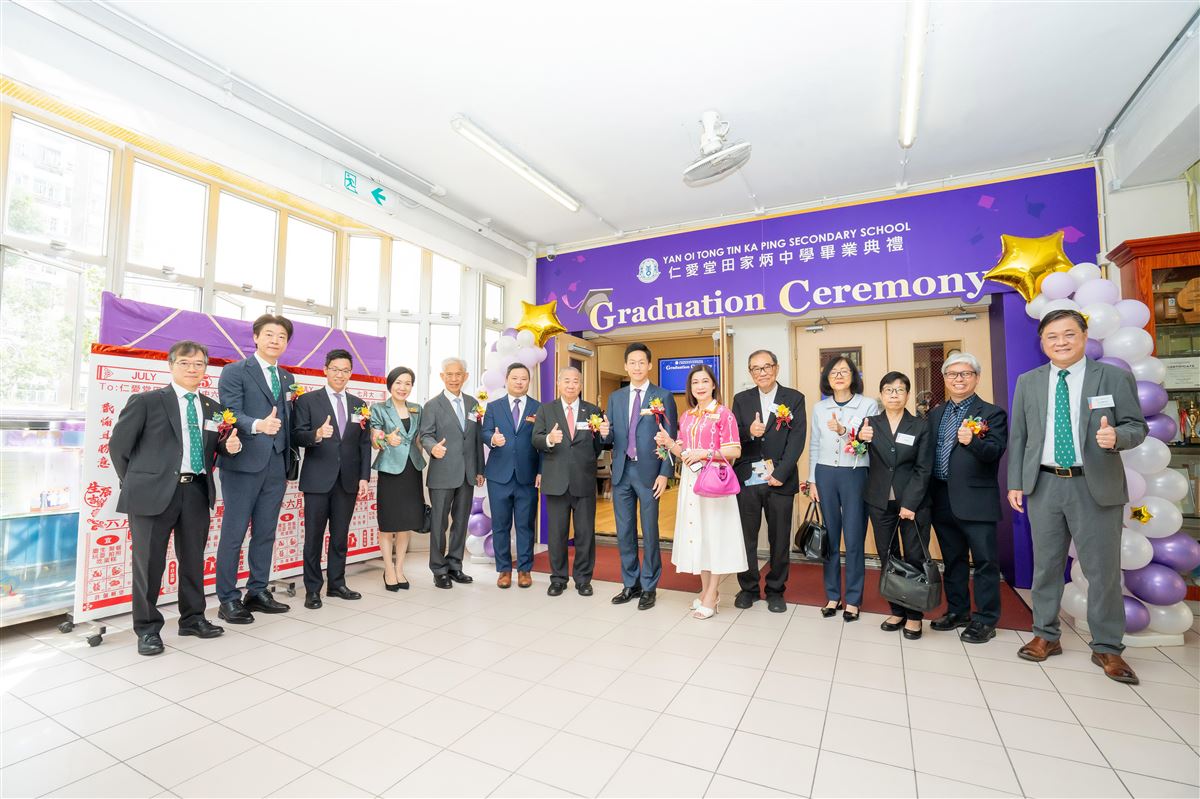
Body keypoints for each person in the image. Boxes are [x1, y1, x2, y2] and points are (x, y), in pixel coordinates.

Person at [1008, 309, 1148, 683]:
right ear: (1042, 342)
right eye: (1052, 336)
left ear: (1085, 336)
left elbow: (1136, 426)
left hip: (1094, 484)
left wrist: (1117, 437)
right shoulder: (1029, 381)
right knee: (1046, 566)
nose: (1061, 342)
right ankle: (1046, 635)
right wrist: (1015, 482)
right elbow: (1019, 437)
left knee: (1102, 571)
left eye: (1069, 334)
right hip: (1044, 484)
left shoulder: (1112, 377)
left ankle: (1107, 647)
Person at [109, 340, 241, 655]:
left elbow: (212, 448)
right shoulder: (147, 401)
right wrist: (137, 482)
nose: (192, 369)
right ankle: (147, 630)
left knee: (193, 560)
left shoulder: (212, 407)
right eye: (185, 362)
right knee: (149, 564)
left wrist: (228, 447)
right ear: (171, 365)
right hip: (151, 494)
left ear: (205, 368)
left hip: (195, 491)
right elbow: (119, 447)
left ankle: (193, 619)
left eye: (199, 364)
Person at [214, 314, 296, 624]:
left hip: (276, 463)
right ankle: (228, 598)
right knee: (234, 533)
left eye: (282, 336)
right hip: (243, 462)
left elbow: (288, 418)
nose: (275, 340)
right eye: (269, 334)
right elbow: (229, 411)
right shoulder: (235, 371)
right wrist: (258, 424)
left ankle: (257, 591)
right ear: (256, 338)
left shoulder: (286, 377)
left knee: (265, 532)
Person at [926, 353, 1009, 644]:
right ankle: (958, 611)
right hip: (941, 496)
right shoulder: (935, 414)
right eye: (952, 374)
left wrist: (972, 441)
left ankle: (985, 619)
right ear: (945, 379)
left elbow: (994, 452)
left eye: (965, 374)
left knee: (985, 562)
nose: (958, 379)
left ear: (976, 377)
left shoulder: (992, 413)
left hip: (976, 500)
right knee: (953, 560)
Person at [657, 364, 746, 619]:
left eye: (705, 381)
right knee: (700, 535)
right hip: (691, 481)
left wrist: (706, 453)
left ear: (713, 385)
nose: (700, 386)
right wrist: (669, 443)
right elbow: (684, 453)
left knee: (715, 535)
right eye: (695, 382)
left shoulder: (724, 414)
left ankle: (711, 594)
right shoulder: (686, 416)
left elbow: (735, 450)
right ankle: (707, 591)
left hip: (715, 482)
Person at [292, 349, 371, 609]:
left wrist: (364, 477)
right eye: (335, 369)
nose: (340, 375)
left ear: (351, 373)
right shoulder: (307, 401)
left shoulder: (359, 404)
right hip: (317, 480)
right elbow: (297, 435)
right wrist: (316, 434)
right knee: (313, 537)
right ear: (325, 370)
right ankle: (313, 589)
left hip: (348, 481)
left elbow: (364, 444)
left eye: (345, 370)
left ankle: (337, 584)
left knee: (340, 536)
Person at [731, 349, 807, 613]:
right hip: (747, 479)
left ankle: (776, 590)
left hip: (780, 480)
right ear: (750, 372)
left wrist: (781, 473)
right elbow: (732, 435)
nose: (762, 372)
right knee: (747, 537)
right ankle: (748, 588)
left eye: (766, 367)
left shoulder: (794, 399)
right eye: (756, 368)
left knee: (780, 538)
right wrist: (749, 432)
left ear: (776, 368)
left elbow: (797, 440)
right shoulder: (741, 400)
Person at [858, 372, 932, 639]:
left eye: (900, 390)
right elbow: (858, 454)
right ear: (881, 394)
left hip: (913, 504)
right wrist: (859, 439)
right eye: (888, 390)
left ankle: (914, 616)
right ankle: (897, 610)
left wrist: (910, 503)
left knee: (914, 558)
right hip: (879, 501)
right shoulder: (870, 423)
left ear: (907, 395)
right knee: (888, 557)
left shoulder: (920, 425)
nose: (894, 395)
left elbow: (924, 469)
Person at [606, 343, 678, 610]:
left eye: (641, 362)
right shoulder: (616, 397)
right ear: (625, 366)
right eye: (632, 362)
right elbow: (611, 436)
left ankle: (649, 586)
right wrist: (603, 433)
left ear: (649, 365)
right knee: (624, 531)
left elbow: (671, 437)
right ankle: (630, 583)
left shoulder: (663, 396)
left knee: (649, 531)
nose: (637, 367)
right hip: (622, 471)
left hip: (649, 473)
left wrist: (665, 473)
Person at [808, 356, 878, 622]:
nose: (838, 376)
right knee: (830, 537)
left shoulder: (868, 404)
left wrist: (843, 430)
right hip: (825, 474)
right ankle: (833, 595)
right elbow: (815, 444)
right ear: (826, 378)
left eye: (844, 371)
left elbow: (869, 441)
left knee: (854, 537)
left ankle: (854, 599)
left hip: (855, 473)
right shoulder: (819, 407)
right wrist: (812, 480)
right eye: (833, 372)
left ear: (854, 376)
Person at [532, 367, 611, 596]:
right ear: (559, 384)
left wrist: (604, 434)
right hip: (556, 481)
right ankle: (558, 579)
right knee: (557, 534)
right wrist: (549, 438)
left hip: (583, 480)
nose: (571, 385)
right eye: (566, 381)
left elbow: (598, 446)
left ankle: (583, 579)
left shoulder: (592, 410)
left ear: (580, 385)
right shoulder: (546, 409)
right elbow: (535, 439)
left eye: (575, 381)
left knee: (585, 534)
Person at [419, 356, 484, 589]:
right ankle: (439, 569)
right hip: (442, 471)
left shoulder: (473, 404)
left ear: (465, 376)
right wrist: (432, 448)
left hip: (467, 473)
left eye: (458, 374)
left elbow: (476, 439)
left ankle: (455, 565)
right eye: (449, 374)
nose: (454, 379)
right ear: (442, 376)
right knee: (439, 523)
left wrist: (479, 469)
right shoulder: (432, 405)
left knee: (461, 522)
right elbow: (425, 435)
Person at [482, 363, 542, 589]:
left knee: (526, 525)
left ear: (529, 382)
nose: (519, 382)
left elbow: (543, 442)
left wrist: (541, 471)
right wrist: (492, 439)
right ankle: (504, 570)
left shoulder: (538, 408)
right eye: (515, 378)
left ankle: (525, 570)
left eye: (523, 378)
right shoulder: (494, 407)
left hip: (528, 476)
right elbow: (485, 431)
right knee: (501, 525)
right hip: (499, 475)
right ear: (506, 380)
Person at [369, 366, 425, 590]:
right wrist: (385, 440)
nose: (403, 387)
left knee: (405, 523)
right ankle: (388, 569)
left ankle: (400, 568)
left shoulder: (416, 409)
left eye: (408, 383)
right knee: (388, 523)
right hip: (390, 470)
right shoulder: (379, 409)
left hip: (412, 469)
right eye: (398, 383)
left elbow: (419, 439)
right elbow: (375, 440)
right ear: (390, 385)